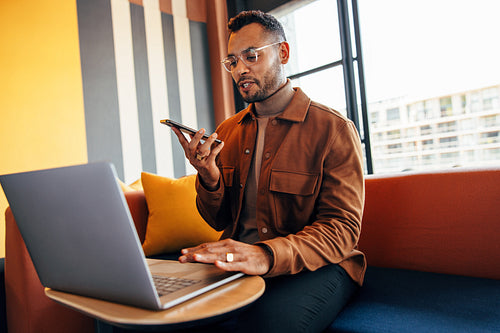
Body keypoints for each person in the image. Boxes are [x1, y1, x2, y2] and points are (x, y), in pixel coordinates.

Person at [170, 10, 366, 333]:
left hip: (317, 266)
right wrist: (208, 176)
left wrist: (266, 254)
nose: (240, 70)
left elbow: (341, 231)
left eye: (251, 56)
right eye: (232, 61)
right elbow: (218, 220)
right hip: (244, 263)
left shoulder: (334, 130)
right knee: (172, 312)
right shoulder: (228, 131)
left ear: (283, 53)